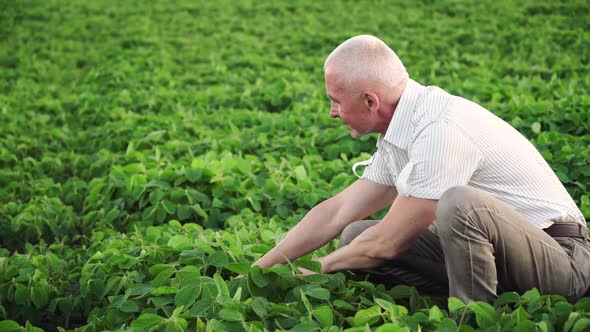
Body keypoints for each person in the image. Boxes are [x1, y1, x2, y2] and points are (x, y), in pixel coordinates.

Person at [251, 35, 590, 303]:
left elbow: (387, 243)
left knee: (460, 204)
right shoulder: (403, 127)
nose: (332, 112)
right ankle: (473, 300)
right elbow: (338, 211)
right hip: (499, 256)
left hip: (562, 261)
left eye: (336, 101)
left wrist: (313, 270)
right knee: (354, 235)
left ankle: (472, 317)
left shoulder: (440, 129)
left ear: (371, 101)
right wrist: (258, 272)